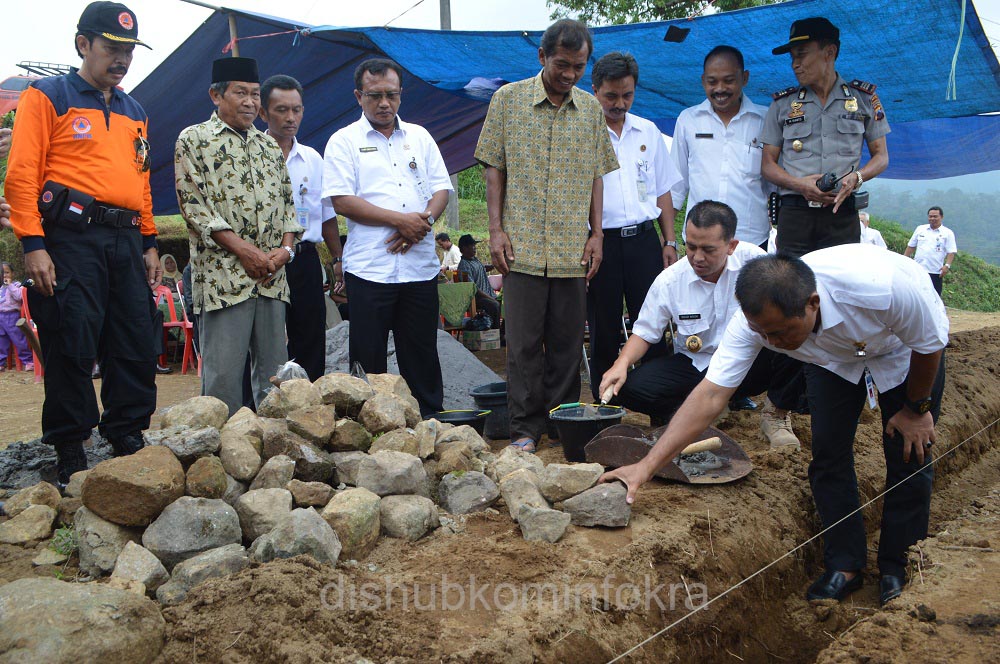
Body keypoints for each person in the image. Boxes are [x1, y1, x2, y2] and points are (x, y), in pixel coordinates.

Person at [602, 244, 948, 607]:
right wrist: (645, 467)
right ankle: (843, 564)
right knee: (828, 454)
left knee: (909, 453)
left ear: (812, 304)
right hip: (832, 361)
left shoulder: (885, 289)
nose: (772, 343)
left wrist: (917, 409)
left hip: (901, 349)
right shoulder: (756, 323)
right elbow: (709, 397)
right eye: (763, 334)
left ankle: (898, 565)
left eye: (781, 334)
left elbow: (928, 344)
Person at [4, 1, 160, 486]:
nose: (122, 59)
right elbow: (22, 174)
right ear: (83, 45)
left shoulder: (135, 109)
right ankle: (70, 445)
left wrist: (150, 239)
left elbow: (143, 179)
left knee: (135, 337)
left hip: (126, 237)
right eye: (112, 48)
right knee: (71, 338)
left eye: (129, 51)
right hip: (69, 239)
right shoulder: (46, 96)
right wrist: (33, 243)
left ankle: (126, 430)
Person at [475, 19, 619, 453]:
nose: (570, 74)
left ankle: (562, 423)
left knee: (568, 343)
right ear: (542, 57)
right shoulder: (508, 100)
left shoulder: (592, 109)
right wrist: (495, 230)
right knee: (520, 345)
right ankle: (525, 428)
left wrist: (597, 234)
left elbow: (598, 175)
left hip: (571, 247)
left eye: (578, 66)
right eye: (562, 64)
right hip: (519, 248)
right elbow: (493, 168)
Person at [599, 201, 800, 448]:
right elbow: (645, 332)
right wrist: (621, 364)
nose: (697, 257)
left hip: (750, 363)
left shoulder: (757, 264)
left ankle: (776, 415)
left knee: (796, 341)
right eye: (691, 247)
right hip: (699, 366)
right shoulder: (671, 280)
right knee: (631, 387)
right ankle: (696, 409)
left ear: (731, 246)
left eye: (708, 249)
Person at [323, 58, 452, 415]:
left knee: (422, 352)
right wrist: (400, 221)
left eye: (391, 95)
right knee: (368, 354)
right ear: (358, 96)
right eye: (375, 95)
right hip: (369, 269)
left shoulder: (420, 137)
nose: (384, 103)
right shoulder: (343, 141)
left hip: (419, 266)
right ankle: (365, 427)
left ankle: (430, 422)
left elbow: (441, 189)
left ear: (400, 94)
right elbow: (342, 201)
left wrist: (420, 224)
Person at [175, 56, 301, 415]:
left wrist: (284, 253)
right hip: (224, 279)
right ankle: (221, 459)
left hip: (273, 278)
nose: (250, 102)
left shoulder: (269, 148)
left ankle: (275, 453)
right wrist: (246, 252)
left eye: (255, 94)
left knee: (276, 378)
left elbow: (289, 208)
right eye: (240, 93)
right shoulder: (194, 140)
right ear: (216, 95)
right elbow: (196, 209)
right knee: (223, 380)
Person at [586, 52, 682, 402]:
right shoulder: (583, 131)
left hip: (644, 241)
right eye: (611, 96)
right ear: (595, 90)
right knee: (604, 328)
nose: (619, 103)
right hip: (601, 244)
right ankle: (604, 405)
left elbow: (663, 191)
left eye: (627, 95)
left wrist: (669, 240)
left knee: (653, 321)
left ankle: (658, 403)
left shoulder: (648, 132)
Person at [761, 17, 890, 258]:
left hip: (841, 215)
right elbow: (767, 165)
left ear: (829, 52)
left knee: (840, 288)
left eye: (801, 55)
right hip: (794, 215)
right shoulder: (782, 104)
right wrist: (801, 185)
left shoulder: (864, 99)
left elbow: (881, 157)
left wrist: (857, 177)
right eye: (792, 58)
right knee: (790, 288)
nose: (795, 65)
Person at [259, 74, 342, 381]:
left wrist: (337, 260)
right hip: (263, 259)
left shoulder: (312, 159)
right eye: (281, 110)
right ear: (263, 113)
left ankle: (309, 406)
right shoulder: (252, 156)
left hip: (304, 257)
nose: (290, 117)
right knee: (264, 338)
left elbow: (328, 213)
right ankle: (261, 406)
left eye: (296, 109)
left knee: (309, 333)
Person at [672, 45, 771, 249]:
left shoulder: (765, 119)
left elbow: (775, 184)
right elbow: (676, 186)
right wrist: (668, 240)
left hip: (750, 240)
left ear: (744, 78)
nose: (719, 89)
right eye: (712, 82)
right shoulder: (688, 120)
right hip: (701, 242)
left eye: (728, 80)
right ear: (703, 81)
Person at [904, 206, 956, 295]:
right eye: (930, 216)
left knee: (934, 296)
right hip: (918, 269)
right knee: (916, 294)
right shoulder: (920, 229)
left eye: (935, 216)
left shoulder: (947, 233)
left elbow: (951, 252)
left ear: (941, 217)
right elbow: (911, 246)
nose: (932, 218)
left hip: (935, 271)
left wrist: (947, 266)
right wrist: (903, 260)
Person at [456, 234, 500, 329]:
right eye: (472, 246)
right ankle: (496, 334)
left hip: (488, 295)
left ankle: (504, 332)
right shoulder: (464, 266)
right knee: (495, 305)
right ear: (464, 248)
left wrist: (495, 264)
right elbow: (474, 289)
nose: (475, 248)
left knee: (505, 304)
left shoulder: (475, 260)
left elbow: (482, 268)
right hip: (476, 298)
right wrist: (490, 297)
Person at [0, 262, 34, 371]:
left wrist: (9, 285)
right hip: (0, 316)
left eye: (7, 272)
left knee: (18, 339)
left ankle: (28, 361)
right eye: (2, 273)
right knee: (1, 340)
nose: (4, 275)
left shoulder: (16, 285)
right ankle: (1, 362)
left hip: (12, 315)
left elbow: (20, 296)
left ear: (12, 273)